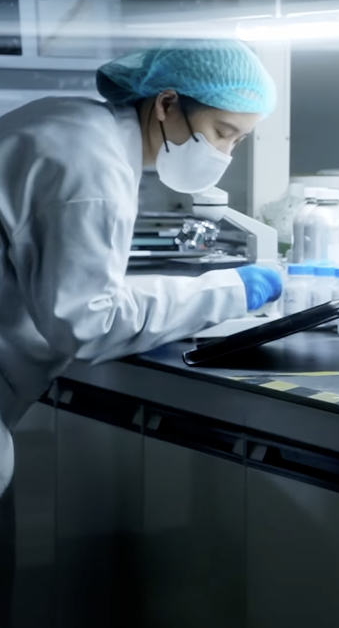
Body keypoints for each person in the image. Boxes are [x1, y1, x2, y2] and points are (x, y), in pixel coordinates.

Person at [0, 38, 283, 620]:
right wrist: (230, 290)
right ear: (167, 103)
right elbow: (88, 323)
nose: (225, 152)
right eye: (223, 132)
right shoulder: (93, 166)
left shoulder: (77, 124)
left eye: (238, 139)